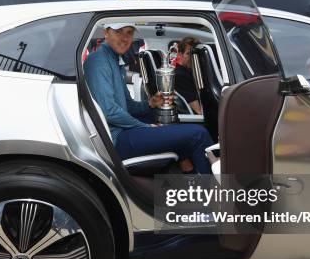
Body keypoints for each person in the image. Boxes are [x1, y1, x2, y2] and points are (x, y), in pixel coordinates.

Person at [84, 23, 213, 174]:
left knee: (167, 118)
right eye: (118, 32)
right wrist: (143, 126)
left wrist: (150, 104)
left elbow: (129, 106)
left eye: (129, 32)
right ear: (106, 33)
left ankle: (187, 170)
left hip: (121, 131)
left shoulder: (114, 60)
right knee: (199, 134)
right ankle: (214, 192)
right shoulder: (98, 61)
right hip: (117, 140)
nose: (125, 38)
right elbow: (109, 112)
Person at [174, 37, 203, 115]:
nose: (192, 57)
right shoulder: (180, 76)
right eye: (188, 53)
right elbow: (199, 111)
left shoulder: (191, 71)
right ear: (180, 54)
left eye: (194, 54)